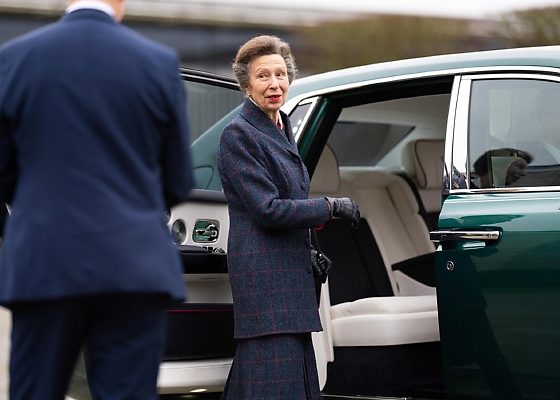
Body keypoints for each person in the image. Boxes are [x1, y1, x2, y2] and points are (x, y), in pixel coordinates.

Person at [0, 0, 193, 398]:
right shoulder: (158, 62)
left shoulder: (14, 58)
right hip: (133, 265)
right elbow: (177, 181)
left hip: (44, 261)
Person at [217, 35, 360, 400]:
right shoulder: (239, 134)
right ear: (246, 84)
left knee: (278, 383)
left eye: (280, 74)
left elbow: (288, 198)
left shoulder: (281, 125)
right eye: (263, 76)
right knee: (273, 383)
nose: (274, 84)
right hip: (266, 281)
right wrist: (329, 207)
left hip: (288, 276)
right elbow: (268, 209)